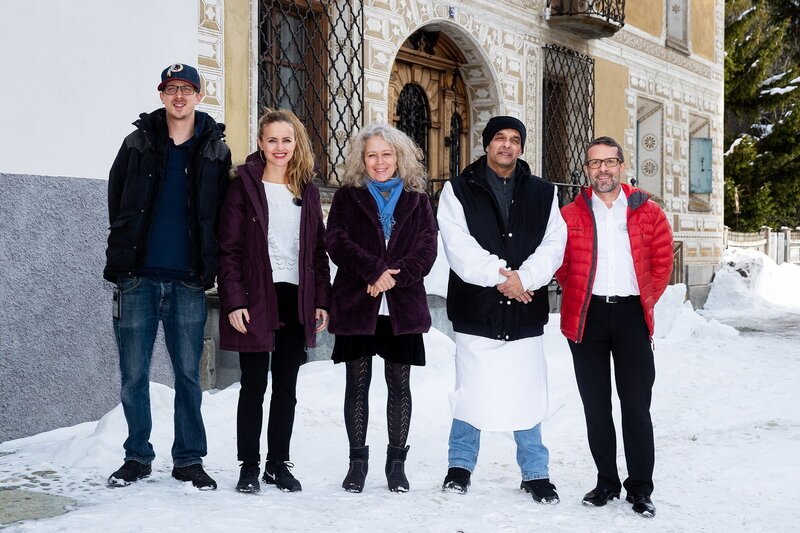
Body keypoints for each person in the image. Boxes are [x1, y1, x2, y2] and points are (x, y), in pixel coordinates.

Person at [104, 63, 231, 490]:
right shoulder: (137, 142)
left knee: (189, 376)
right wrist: (126, 256)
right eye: (171, 89)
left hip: (188, 281)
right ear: (162, 95)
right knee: (134, 375)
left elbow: (220, 214)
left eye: (187, 89)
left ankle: (188, 459)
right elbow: (117, 198)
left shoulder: (215, 149)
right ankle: (137, 456)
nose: (179, 96)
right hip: (138, 278)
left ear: (199, 95)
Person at [436, 116, 566, 503]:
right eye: (499, 139)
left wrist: (524, 278)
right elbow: (457, 245)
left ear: (522, 147)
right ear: (486, 144)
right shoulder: (457, 190)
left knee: (526, 393)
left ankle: (535, 473)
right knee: (471, 391)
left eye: (514, 140)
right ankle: (459, 465)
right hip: (478, 309)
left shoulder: (544, 193)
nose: (506, 145)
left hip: (524, 310)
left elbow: (554, 244)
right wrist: (499, 275)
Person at [556, 136, 673, 518]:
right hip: (587, 318)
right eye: (595, 163)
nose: (602, 169)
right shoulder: (570, 214)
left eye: (609, 162)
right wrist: (576, 289)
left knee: (636, 405)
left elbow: (660, 263)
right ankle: (606, 480)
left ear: (622, 165)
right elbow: (561, 263)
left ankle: (640, 487)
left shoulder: (647, 211)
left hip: (630, 316)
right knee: (595, 405)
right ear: (586, 170)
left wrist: (644, 301)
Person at [216, 109, 331, 494]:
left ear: (295, 143)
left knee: (286, 386)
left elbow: (318, 253)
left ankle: (277, 465)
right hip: (255, 297)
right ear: (261, 144)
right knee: (252, 385)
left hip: (295, 297)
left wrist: (321, 301)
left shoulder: (308, 191)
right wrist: (233, 301)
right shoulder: (243, 187)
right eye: (271, 140)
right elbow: (228, 250)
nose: (279, 147)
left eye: (286, 140)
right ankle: (249, 466)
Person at [326, 123, 437, 493]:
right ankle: (357, 463)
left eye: (386, 154)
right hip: (358, 303)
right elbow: (336, 242)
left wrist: (393, 278)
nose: (379, 162)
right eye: (371, 154)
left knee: (399, 385)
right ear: (362, 159)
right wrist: (374, 271)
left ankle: (396, 464)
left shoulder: (418, 200)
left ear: (399, 157)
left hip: (401, 307)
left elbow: (426, 250)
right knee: (357, 384)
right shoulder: (347, 197)